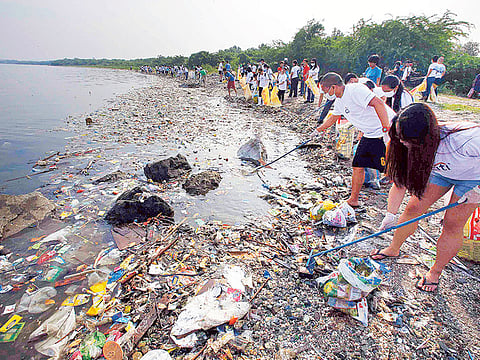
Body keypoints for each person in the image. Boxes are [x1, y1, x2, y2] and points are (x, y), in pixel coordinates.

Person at [371, 103, 480, 292]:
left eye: (408, 140)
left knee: (452, 223)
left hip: (473, 178)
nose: (403, 143)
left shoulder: (467, 140)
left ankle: (435, 272)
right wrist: (390, 215)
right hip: (442, 171)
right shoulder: (401, 140)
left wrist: (476, 190)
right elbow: (400, 184)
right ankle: (394, 247)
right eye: (400, 138)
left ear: (425, 137)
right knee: (413, 208)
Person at [310, 72, 395, 207]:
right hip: (370, 133)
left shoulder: (355, 89)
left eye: (326, 90)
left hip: (385, 130)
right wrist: (317, 131)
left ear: (333, 87)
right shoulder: (339, 101)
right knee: (357, 165)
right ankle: (353, 199)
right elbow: (333, 118)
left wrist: (386, 127)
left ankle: (400, 190)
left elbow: (378, 103)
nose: (325, 94)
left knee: (389, 165)